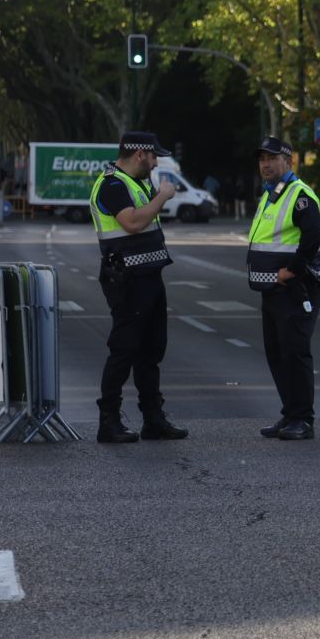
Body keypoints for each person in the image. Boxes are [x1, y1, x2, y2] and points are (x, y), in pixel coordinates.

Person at [89, 131, 188, 443]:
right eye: (153, 155)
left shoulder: (137, 183)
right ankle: (109, 420)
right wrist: (163, 196)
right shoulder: (112, 184)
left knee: (151, 350)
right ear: (139, 154)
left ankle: (153, 419)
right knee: (124, 349)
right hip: (128, 279)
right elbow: (131, 222)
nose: (156, 162)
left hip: (149, 275)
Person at [247, 137, 320, 440]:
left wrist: (292, 270)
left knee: (294, 351)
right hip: (274, 288)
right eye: (262, 159)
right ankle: (289, 413)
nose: (265, 164)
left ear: (288, 161)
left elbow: (311, 237)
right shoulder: (272, 194)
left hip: (297, 287)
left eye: (271, 158)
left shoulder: (300, 195)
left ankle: (302, 419)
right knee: (277, 352)